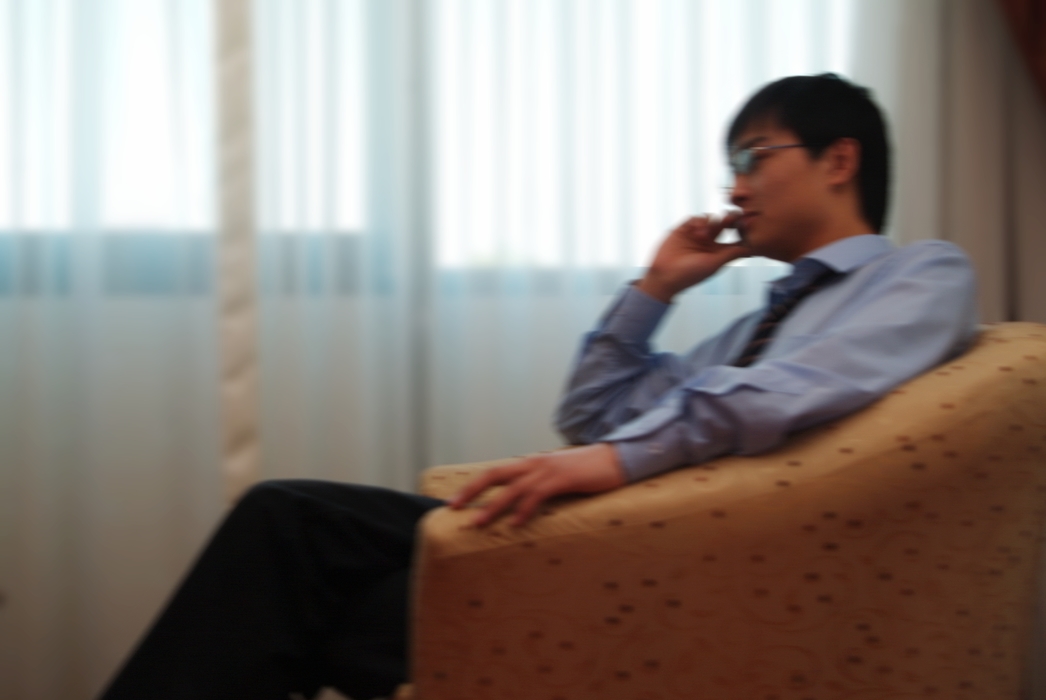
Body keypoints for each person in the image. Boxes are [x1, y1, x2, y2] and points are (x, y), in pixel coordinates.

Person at [97, 74, 977, 700]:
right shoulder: (752, 326)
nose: (734, 188)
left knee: (321, 606)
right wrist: (656, 288)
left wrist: (615, 466)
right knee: (288, 524)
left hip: (681, 559)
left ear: (839, 159)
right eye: (731, 167)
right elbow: (591, 413)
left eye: (752, 155)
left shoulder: (922, 275)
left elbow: (787, 395)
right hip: (629, 531)